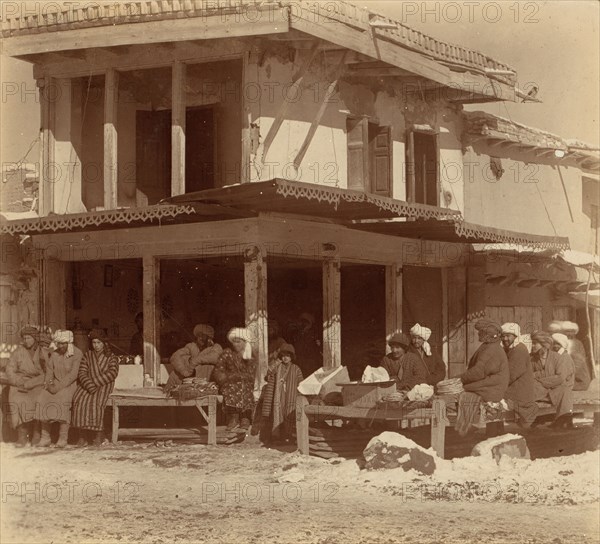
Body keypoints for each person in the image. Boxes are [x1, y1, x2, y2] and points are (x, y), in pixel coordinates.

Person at [455, 319, 509, 436]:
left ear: (488, 334)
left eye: (480, 332)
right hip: (491, 383)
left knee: (462, 390)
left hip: (493, 387)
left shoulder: (491, 349)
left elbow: (478, 372)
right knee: (464, 387)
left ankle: (466, 426)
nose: (478, 334)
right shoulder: (489, 346)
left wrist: (459, 379)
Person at [71, 329, 119, 446]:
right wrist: (89, 384)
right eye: (94, 343)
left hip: (103, 385)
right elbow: (82, 373)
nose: (96, 346)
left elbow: (112, 373)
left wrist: (95, 382)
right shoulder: (87, 355)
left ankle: (98, 434)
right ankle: (82, 435)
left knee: (96, 402)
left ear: (104, 343)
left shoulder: (111, 357)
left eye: (99, 343)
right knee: (79, 399)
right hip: (88, 385)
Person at [37, 330, 83, 447]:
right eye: (58, 343)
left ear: (69, 342)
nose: (60, 346)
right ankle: (45, 437)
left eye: (63, 343)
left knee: (63, 399)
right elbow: (49, 371)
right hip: (55, 384)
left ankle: (63, 438)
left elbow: (73, 375)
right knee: (43, 397)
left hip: (70, 385)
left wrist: (57, 387)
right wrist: (50, 384)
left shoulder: (77, 354)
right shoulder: (55, 354)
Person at [5, 326, 47, 447]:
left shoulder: (42, 352)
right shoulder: (18, 351)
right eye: (24, 338)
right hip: (20, 382)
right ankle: (22, 435)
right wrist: (18, 382)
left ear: (34, 338)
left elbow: (47, 372)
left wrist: (32, 383)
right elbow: (10, 370)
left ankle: (36, 433)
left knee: (39, 397)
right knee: (14, 396)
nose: (26, 340)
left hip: (37, 382)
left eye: (29, 338)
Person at [213, 327, 256, 432]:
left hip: (245, 382)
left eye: (239, 342)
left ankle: (245, 417)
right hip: (229, 382)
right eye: (234, 342)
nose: (236, 344)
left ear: (245, 343)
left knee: (245, 387)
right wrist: (225, 378)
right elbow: (219, 369)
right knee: (232, 388)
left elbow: (251, 373)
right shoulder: (227, 353)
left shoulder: (249, 355)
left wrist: (243, 377)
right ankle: (234, 417)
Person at [531, 331, 574, 428]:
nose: (554, 346)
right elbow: (529, 375)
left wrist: (539, 379)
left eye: (535, 343)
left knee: (564, 391)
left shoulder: (560, 358)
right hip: (545, 388)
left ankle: (564, 419)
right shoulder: (533, 358)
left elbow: (560, 378)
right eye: (553, 344)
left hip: (558, 388)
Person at [261, 343, 303, 442]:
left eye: (288, 356)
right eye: (283, 356)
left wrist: (299, 395)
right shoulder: (277, 368)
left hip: (291, 396)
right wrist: (276, 363)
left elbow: (301, 384)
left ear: (291, 357)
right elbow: (268, 375)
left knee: (290, 415)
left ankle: (291, 436)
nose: (285, 358)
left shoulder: (296, 369)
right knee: (279, 415)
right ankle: (279, 436)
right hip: (279, 397)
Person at [501, 322, 538, 428]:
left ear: (516, 336)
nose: (505, 339)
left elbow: (511, 374)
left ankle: (494, 430)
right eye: (503, 336)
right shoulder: (510, 349)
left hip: (520, 391)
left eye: (508, 336)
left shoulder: (519, 350)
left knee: (490, 397)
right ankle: (495, 429)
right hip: (515, 387)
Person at [165, 324, 223, 391]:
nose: (200, 338)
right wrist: (184, 371)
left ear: (209, 338)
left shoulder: (216, 347)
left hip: (205, 380)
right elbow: (175, 356)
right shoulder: (192, 346)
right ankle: (167, 395)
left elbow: (215, 357)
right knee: (174, 374)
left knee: (208, 366)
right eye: (199, 335)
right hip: (189, 378)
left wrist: (194, 361)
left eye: (203, 336)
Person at [291, 313, 322, 377]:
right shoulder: (297, 334)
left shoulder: (314, 334)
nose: (303, 324)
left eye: (306, 322)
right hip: (300, 360)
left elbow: (318, 348)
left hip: (311, 361)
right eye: (302, 322)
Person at [563, 321, 591, 391]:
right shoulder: (562, 342)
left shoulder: (578, 343)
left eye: (571, 331)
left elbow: (581, 358)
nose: (569, 333)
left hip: (577, 367)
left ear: (575, 332)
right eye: (567, 331)